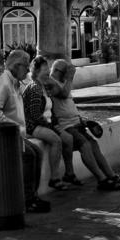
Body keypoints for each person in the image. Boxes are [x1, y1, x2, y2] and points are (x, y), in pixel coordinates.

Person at [0, 48, 51, 212]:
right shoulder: (4, 84)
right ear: (17, 66)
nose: (28, 70)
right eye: (26, 66)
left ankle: (32, 197)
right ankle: (27, 200)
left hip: (16, 135)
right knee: (29, 155)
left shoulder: (14, 82)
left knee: (37, 153)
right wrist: (14, 126)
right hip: (3, 136)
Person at [46, 58, 120, 190]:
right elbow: (64, 94)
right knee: (85, 146)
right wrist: (70, 77)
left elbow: (68, 104)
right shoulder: (51, 82)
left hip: (75, 122)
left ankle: (111, 175)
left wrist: (82, 119)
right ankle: (101, 179)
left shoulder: (63, 82)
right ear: (57, 70)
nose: (66, 74)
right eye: (64, 71)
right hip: (66, 126)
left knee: (94, 145)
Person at [23, 56, 74, 189]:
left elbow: (51, 110)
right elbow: (34, 115)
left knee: (68, 139)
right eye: (45, 70)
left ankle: (70, 173)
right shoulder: (35, 88)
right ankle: (54, 178)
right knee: (56, 140)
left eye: (48, 69)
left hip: (46, 123)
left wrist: (55, 124)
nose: (47, 72)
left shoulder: (44, 87)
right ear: (36, 71)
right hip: (33, 125)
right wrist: (51, 127)